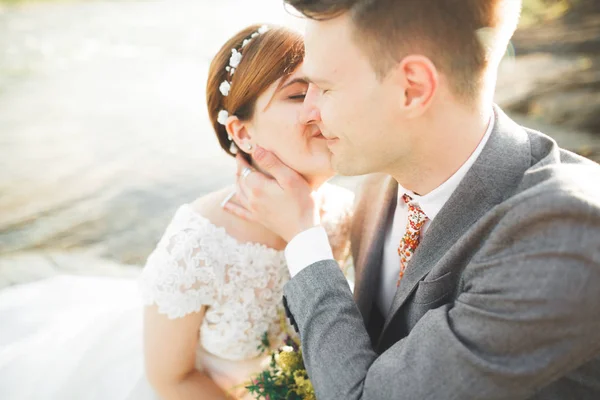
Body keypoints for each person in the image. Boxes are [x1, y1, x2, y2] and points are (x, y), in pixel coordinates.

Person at [225, 1, 600, 399]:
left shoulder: (563, 234)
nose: (309, 112)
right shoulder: (376, 183)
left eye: (325, 88)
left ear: (413, 88)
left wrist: (304, 239)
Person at [0, 24, 354, 400]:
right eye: (298, 95)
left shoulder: (346, 213)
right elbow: (171, 379)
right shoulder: (199, 239)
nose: (321, 108)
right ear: (243, 133)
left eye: (326, 90)